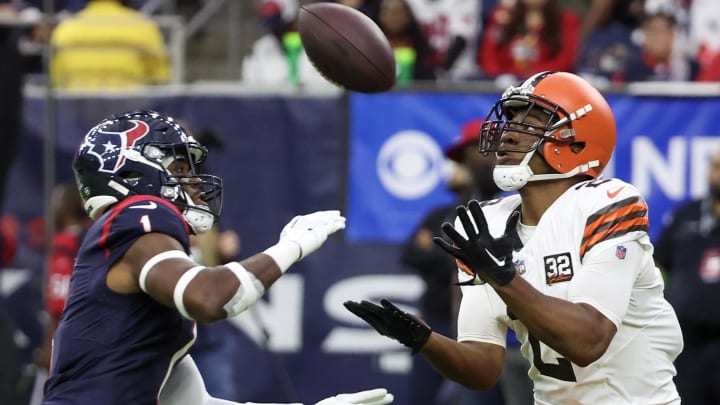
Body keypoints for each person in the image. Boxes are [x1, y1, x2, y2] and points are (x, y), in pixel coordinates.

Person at [344, 71, 684, 404]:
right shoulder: (486, 221)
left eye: (532, 121)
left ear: (576, 141)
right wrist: (424, 340)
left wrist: (502, 276)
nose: (507, 133)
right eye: (510, 120)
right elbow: (483, 368)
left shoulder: (608, 202)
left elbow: (588, 341)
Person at [42, 110, 393, 405]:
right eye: (179, 168)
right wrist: (292, 247)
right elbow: (209, 297)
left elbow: (196, 402)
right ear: (131, 172)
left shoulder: (143, 312)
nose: (193, 181)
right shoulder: (141, 211)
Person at [400, 119, 500, 405]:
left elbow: (499, 262)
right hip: (438, 320)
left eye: (485, 152)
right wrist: (458, 256)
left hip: (488, 328)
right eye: (470, 154)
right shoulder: (442, 214)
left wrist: (451, 254)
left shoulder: (510, 208)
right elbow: (411, 254)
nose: (478, 160)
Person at [653, 146, 720, 405]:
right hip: (688, 346)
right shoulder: (686, 216)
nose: (716, 174)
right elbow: (659, 266)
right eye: (713, 166)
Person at [49, 0, 171, 89]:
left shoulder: (65, 29)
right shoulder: (143, 26)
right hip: (132, 113)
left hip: (78, 116)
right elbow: (160, 79)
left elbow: (57, 82)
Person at [477, 0, 580, 83]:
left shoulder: (566, 20)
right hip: (502, 87)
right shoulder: (502, 17)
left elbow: (566, 59)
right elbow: (488, 56)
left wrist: (534, 75)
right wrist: (500, 76)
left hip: (548, 86)